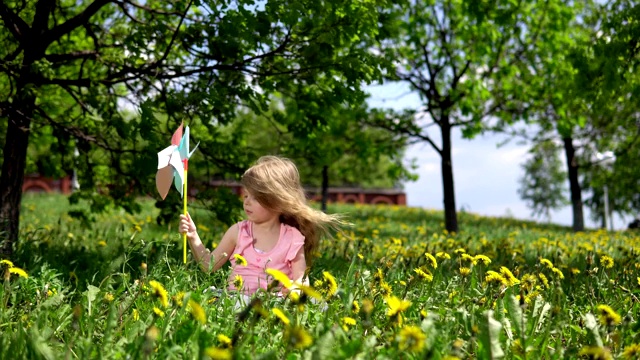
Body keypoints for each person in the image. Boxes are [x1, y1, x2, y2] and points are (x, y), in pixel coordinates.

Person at [179, 155, 343, 297]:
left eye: (255, 197)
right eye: (245, 195)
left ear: (278, 201)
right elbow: (209, 265)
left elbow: (301, 278)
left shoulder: (292, 238)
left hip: (273, 303)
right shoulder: (238, 232)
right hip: (236, 299)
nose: (247, 202)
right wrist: (193, 236)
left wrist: (295, 288)